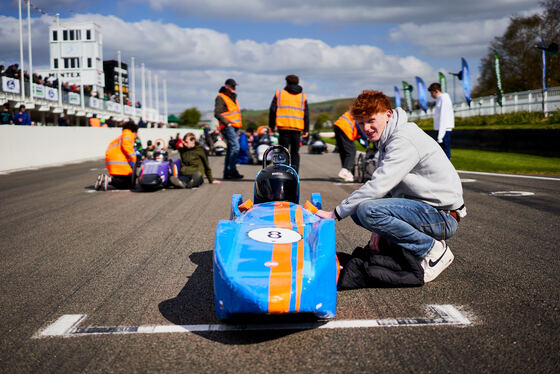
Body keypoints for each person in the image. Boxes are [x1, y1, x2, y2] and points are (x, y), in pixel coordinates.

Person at [315, 90, 466, 288]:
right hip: (426, 209)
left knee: (364, 209)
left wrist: (335, 213)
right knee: (361, 212)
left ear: (387, 114)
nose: (366, 128)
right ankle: (420, 248)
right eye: (360, 123)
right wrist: (379, 230)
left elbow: (379, 185)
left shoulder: (403, 139)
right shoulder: (389, 138)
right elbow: (388, 190)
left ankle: (433, 251)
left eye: (370, 120)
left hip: (442, 216)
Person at [268, 74, 309, 173]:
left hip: (283, 128)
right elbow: (306, 114)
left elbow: (273, 111)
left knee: (282, 151)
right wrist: (306, 129)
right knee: (295, 153)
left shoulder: (280, 94)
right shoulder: (302, 96)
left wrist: (271, 126)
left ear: (286, 82)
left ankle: (282, 173)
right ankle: (294, 174)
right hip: (297, 128)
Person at [94, 121, 138, 191]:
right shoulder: (128, 134)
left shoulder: (119, 138)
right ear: (134, 131)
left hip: (113, 163)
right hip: (120, 164)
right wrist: (133, 159)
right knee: (130, 184)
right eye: (137, 133)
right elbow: (127, 146)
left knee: (123, 182)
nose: (137, 135)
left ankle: (106, 180)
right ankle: (108, 179)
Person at [214, 78, 244, 180]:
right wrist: (227, 123)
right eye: (232, 86)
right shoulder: (221, 97)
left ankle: (227, 173)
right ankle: (232, 170)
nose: (234, 88)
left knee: (232, 149)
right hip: (228, 126)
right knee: (235, 147)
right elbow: (217, 113)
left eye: (235, 86)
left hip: (235, 126)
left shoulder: (233, 98)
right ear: (227, 86)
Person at [333, 110, 366, 182]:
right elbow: (360, 131)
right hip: (345, 128)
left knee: (344, 151)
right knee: (351, 151)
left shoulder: (355, 111)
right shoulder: (361, 115)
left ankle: (347, 173)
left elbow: (359, 137)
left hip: (338, 126)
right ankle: (345, 170)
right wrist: (366, 141)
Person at [428, 82, 455, 159]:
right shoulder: (439, 99)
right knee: (441, 153)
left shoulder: (444, 98)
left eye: (432, 93)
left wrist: (440, 135)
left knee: (445, 153)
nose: (431, 95)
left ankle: (448, 170)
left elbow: (444, 116)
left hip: (444, 129)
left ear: (436, 91)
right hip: (441, 129)